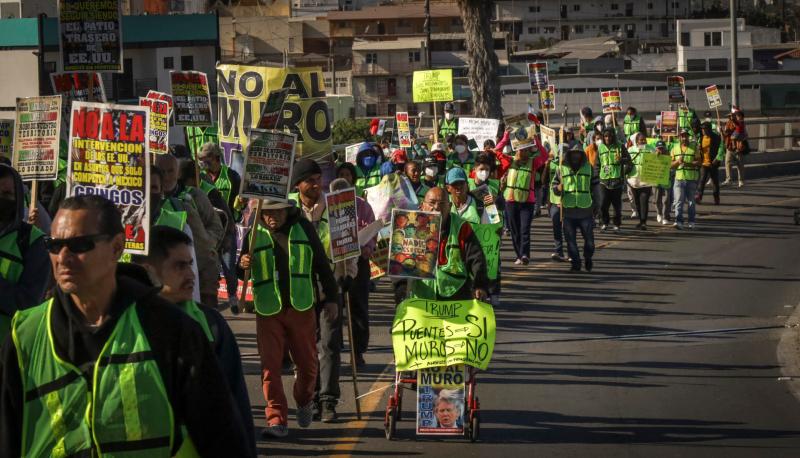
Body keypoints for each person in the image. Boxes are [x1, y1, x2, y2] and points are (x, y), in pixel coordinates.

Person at [0, 195, 251, 457]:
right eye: (53, 245)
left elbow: (224, 439)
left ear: (117, 247)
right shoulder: (25, 334)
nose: (63, 257)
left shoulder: (169, 329)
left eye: (80, 245)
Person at [131, 225, 255, 455]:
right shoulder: (124, 325)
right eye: (179, 266)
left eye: (190, 264)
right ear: (148, 271)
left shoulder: (211, 324)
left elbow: (236, 405)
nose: (191, 275)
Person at [238, 196, 338, 438]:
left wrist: (333, 298)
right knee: (270, 367)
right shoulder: (253, 232)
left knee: (307, 365)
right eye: (267, 213)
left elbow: (322, 266)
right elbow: (240, 275)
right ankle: (276, 419)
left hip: (301, 309)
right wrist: (243, 264)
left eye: (277, 212)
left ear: (287, 210)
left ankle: (304, 400)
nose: (272, 217)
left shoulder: (303, 228)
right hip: (268, 310)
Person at [289, 158, 346, 423]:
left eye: (317, 179)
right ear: (298, 184)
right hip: (298, 287)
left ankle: (327, 400)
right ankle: (308, 397)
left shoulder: (337, 206)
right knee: (303, 347)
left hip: (330, 285)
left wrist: (348, 274)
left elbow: (349, 245)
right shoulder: (287, 209)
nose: (315, 184)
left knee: (330, 345)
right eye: (309, 180)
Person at [156, 153, 222, 307]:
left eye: (170, 171)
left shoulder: (194, 196)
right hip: (167, 279)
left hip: (203, 274)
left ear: (177, 172)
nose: (166, 176)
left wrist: (206, 243)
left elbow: (216, 226)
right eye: (161, 171)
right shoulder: (150, 200)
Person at [330, 172, 376, 366]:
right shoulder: (328, 207)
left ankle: (357, 351)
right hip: (333, 263)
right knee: (333, 308)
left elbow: (372, 231)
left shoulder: (363, 206)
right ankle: (335, 349)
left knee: (358, 307)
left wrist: (366, 247)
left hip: (358, 261)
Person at [412, 187, 489, 301]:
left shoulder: (461, 227)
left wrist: (480, 286)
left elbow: (476, 258)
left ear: (450, 207)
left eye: (442, 203)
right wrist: (400, 287)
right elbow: (399, 263)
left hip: (456, 294)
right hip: (420, 294)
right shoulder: (409, 226)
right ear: (422, 205)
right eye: (432, 203)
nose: (437, 207)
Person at [0, 164, 49, 341]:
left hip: (8, 350)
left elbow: (28, 305)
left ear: (19, 197)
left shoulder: (32, 242)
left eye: (6, 194)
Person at [551, 147, 599, 272]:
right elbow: (553, 187)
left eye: (578, 153)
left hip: (586, 210)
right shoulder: (561, 169)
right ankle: (576, 264)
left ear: (582, 155)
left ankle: (588, 257)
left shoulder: (589, 168)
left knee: (590, 242)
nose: (576, 156)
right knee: (570, 241)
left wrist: (597, 206)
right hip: (568, 210)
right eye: (573, 154)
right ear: (569, 155)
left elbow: (596, 188)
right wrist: (558, 188)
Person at [502, 142, 548, 265]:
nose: (522, 152)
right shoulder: (509, 161)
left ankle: (525, 255)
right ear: (516, 151)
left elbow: (544, 155)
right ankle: (519, 254)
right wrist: (506, 136)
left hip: (527, 202)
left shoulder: (533, 162)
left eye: (525, 150)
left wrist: (536, 140)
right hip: (511, 202)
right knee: (515, 231)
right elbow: (497, 152)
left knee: (525, 230)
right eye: (520, 150)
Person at [598, 128, 631, 232]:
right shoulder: (600, 147)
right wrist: (595, 177)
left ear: (613, 136)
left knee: (616, 205)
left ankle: (617, 224)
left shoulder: (620, 146)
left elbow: (629, 161)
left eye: (610, 136)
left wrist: (621, 160)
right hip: (604, 180)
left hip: (617, 180)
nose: (608, 138)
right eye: (606, 136)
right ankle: (604, 222)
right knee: (603, 204)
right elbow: (597, 164)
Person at [198, 142, 242, 219]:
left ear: (217, 158)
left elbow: (239, 207)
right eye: (201, 158)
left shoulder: (232, 176)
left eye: (206, 157)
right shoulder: (200, 176)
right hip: (207, 222)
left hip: (227, 223)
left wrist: (240, 203)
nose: (202, 161)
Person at [671, 129, 702, 230]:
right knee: (679, 201)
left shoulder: (694, 147)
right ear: (679, 137)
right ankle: (678, 221)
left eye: (685, 136)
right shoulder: (674, 148)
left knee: (691, 202)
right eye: (682, 136)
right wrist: (677, 162)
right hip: (679, 179)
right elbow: (670, 165)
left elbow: (699, 162)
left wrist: (688, 163)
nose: (684, 138)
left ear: (688, 137)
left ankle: (691, 221)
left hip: (691, 179)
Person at [626, 133, 655, 229]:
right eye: (641, 140)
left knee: (644, 201)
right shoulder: (630, 150)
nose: (643, 141)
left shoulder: (651, 149)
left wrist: (659, 153)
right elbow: (626, 162)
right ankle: (641, 221)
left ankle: (644, 222)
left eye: (644, 139)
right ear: (636, 141)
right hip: (633, 181)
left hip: (646, 180)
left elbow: (658, 160)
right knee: (637, 202)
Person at [697, 121, 724, 205]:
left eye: (705, 129)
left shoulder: (716, 137)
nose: (703, 131)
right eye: (702, 129)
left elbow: (722, 148)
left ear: (709, 129)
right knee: (702, 180)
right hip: (704, 163)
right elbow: (698, 149)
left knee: (715, 182)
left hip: (713, 163)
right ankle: (699, 196)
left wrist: (718, 158)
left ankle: (716, 197)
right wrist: (698, 147)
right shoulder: (701, 138)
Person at [723, 109, 748, 187]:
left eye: (732, 116)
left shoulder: (740, 123)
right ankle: (728, 179)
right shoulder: (727, 123)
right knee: (727, 163)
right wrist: (722, 131)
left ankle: (741, 181)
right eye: (729, 116)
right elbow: (725, 134)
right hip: (729, 146)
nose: (730, 117)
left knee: (740, 164)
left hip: (738, 147)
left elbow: (744, 134)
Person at [654, 140, 675, 225]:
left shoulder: (669, 156)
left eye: (662, 148)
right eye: (659, 148)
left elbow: (673, 167)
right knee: (656, 199)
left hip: (667, 180)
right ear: (656, 149)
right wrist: (655, 157)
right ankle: (659, 213)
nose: (661, 150)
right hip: (656, 180)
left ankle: (665, 216)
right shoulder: (653, 155)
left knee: (666, 200)